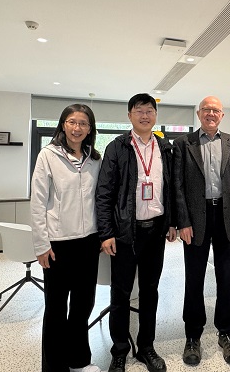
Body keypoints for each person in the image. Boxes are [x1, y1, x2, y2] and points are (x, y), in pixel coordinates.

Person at [96, 93, 177, 372]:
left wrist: (172, 222)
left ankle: (146, 347)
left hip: (155, 232)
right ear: (129, 115)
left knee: (150, 291)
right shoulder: (117, 147)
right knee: (121, 293)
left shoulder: (165, 147)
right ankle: (119, 350)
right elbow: (104, 192)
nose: (145, 115)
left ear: (156, 115)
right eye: (139, 110)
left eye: (149, 110)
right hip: (124, 233)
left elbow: (171, 188)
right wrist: (106, 233)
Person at [172, 96, 230, 366]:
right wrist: (183, 221)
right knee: (194, 278)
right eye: (206, 110)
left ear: (222, 115)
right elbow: (177, 185)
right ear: (199, 113)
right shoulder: (183, 143)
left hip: (227, 217)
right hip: (195, 219)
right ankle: (192, 335)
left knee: (227, 278)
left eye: (216, 110)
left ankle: (226, 332)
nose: (211, 114)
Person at [30, 103, 103, 372]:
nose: (77, 128)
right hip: (58, 243)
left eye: (83, 123)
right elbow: (38, 202)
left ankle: (79, 360)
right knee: (56, 308)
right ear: (63, 124)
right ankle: (54, 366)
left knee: (84, 305)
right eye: (72, 122)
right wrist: (41, 244)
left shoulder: (95, 159)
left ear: (90, 129)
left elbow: (100, 199)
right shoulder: (48, 155)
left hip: (89, 242)